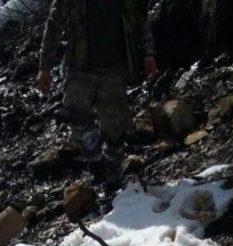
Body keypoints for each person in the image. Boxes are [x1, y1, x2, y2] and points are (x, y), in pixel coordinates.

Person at [37, 0, 156, 183]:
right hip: (80, 66)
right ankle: (95, 161)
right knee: (75, 112)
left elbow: (141, 18)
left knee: (116, 130)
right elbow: (54, 25)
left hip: (115, 69)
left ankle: (114, 174)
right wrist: (44, 67)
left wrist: (149, 54)